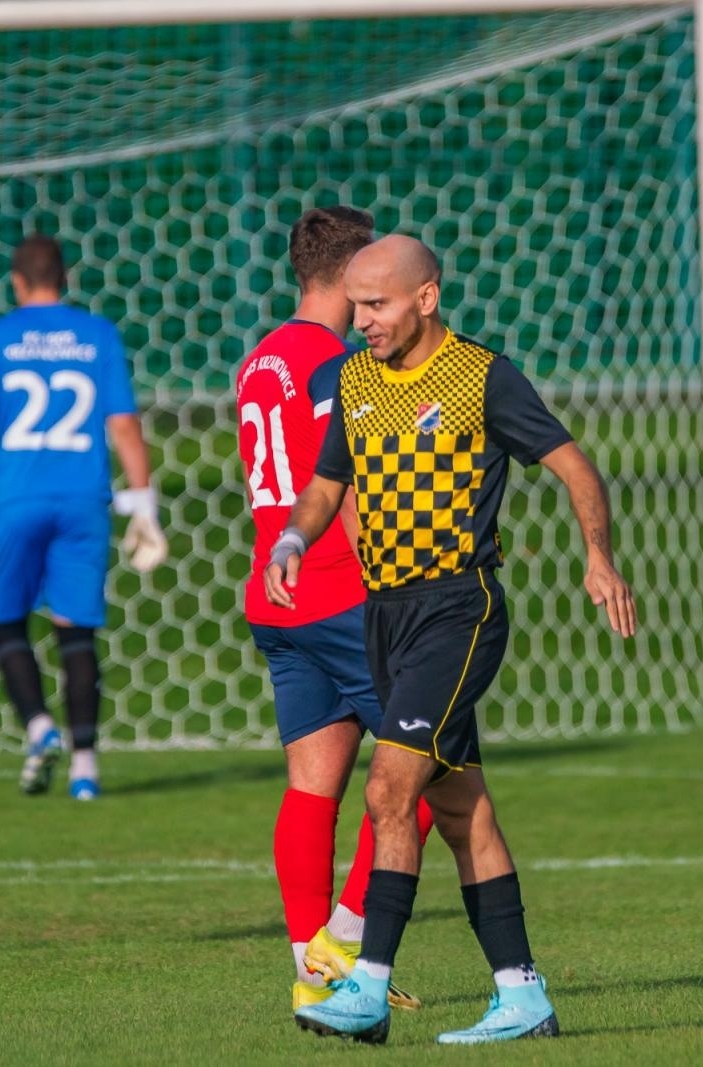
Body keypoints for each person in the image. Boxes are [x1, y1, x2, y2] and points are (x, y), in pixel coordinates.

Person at [272, 235, 637, 1045]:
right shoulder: (358, 378)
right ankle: (522, 995)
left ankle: (365, 984)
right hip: (385, 616)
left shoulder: (483, 376)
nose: (361, 319)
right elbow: (329, 483)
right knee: (461, 805)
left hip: (457, 610)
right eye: (356, 303)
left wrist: (598, 556)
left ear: (427, 298)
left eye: (379, 304)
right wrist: (293, 541)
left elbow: (575, 465)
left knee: (387, 791)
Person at [237, 207, 436, 1016]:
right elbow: (341, 477)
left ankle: (310, 970)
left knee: (311, 787)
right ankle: (343, 938)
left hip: (276, 597)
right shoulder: (333, 364)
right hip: (345, 594)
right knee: (427, 771)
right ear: (354, 270)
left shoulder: (258, 361)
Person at [0, 233, 167, 801]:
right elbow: (122, 425)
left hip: (16, 500)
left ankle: (40, 728)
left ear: (17, 283)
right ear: (64, 279)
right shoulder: (98, 335)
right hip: (84, 501)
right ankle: (85, 768)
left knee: (7, 620)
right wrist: (143, 502)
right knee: (77, 631)